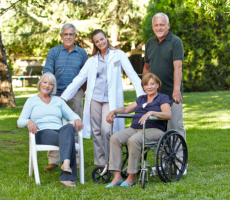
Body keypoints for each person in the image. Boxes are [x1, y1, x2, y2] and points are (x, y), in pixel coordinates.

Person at [61, 29, 145, 167]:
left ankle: (111, 162)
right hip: (94, 99)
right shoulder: (92, 60)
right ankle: (100, 164)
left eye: (102, 39)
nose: (100, 42)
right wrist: (64, 97)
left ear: (106, 37)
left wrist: (142, 96)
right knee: (96, 131)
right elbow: (79, 79)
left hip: (109, 101)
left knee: (107, 130)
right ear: (94, 44)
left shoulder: (119, 55)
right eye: (97, 41)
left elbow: (132, 74)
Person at [17, 72, 84, 187]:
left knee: (68, 128)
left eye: (51, 84)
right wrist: (29, 121)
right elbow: (20, 122)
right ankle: (66, 176)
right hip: (42, 133)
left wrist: (77, 119)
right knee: (68, 139)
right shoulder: (31, 101)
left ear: (53, 87)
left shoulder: (58, 101)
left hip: (59, 132)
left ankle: (65, 164)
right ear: (40, 83)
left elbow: (72, 115)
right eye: (45, 82)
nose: (47, 86)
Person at [105, 73, 171, 188]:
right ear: (143, 87)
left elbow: (167, 114)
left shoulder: (162, 97)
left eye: (152, 84)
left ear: (157, 85)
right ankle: (117, 176)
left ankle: (132, 176)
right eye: (146, 84)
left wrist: (151, 112)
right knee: (115, 138)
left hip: (154, 130)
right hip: (134, 128)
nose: (149, 87)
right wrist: (113, 112)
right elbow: (126, 109)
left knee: (134, 140)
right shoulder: (141, 99)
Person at [43, 23, 88, 171]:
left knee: (75, 122)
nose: (68, 37)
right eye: (65, 34)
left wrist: (83, 92)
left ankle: (74, 157)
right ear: (61, 36)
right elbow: (48, 73)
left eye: (71, 34)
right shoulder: (53, 52)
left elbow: (85, 75)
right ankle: (54, 160)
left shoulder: (82, 53)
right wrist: (49, 92)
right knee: (54, 123)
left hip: (75, 92)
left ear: (75, 36)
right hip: (56, 92)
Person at [143, 13, 186, 144]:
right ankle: (164, 161)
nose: (159, 28)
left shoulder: (175, 41)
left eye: (162, 25)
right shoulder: (150, 43)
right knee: (159, 128)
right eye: (156, 25)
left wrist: (176, 90)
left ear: (168, 25)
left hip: (172, 94)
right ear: (152, 27)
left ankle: (180, 162)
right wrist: (144, 87)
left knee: (176, 127)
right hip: (155, 95)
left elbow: (178, 67)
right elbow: (146, 68)